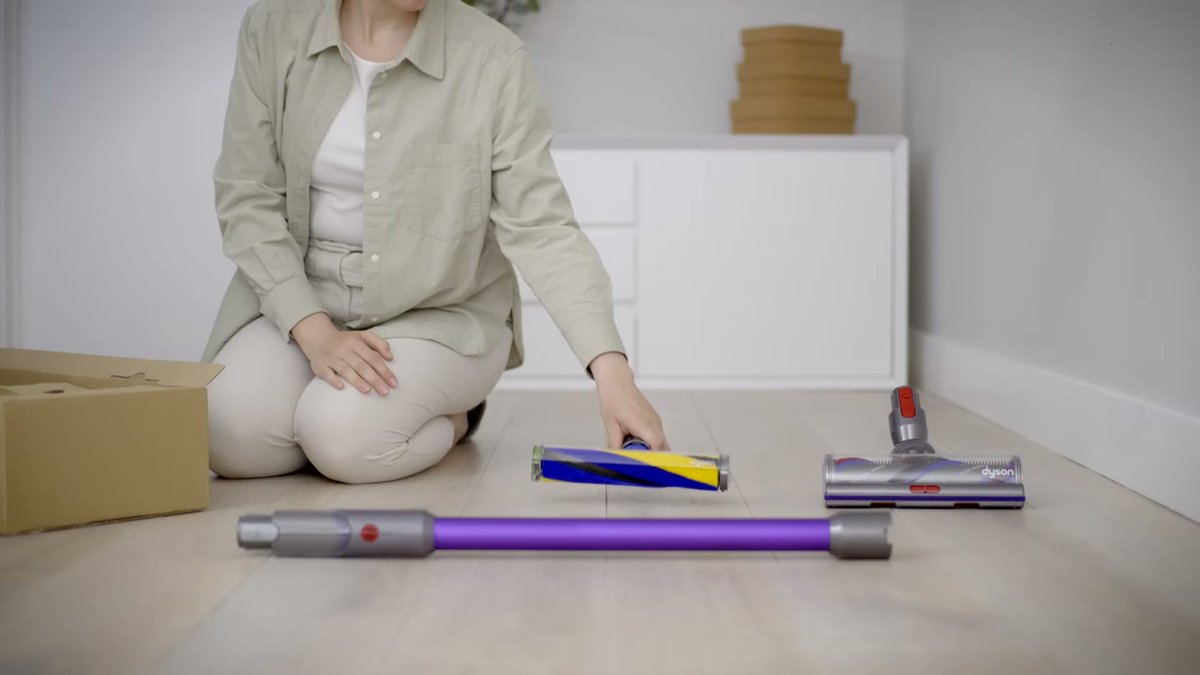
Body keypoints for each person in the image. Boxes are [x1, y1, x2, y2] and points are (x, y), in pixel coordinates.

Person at [203, 0, 669, 484]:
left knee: (342, 438)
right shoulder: (272, 30)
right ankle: (336, 419)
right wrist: (314, 332)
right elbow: (247, 197)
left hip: (438, 315)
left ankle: (452, 418)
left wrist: (614, 378)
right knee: (224, 432)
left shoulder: (494, 57)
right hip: (305, 301)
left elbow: (542, 227)